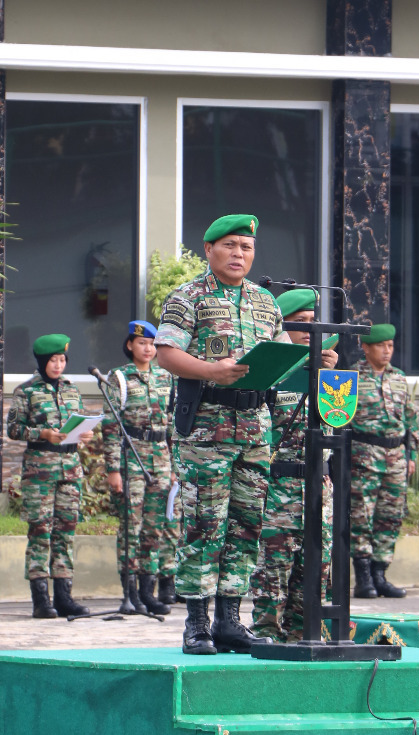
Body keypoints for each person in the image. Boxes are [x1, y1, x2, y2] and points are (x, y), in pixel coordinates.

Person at [155, 213, 284, 655]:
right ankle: (196, 624)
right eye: (229, 245)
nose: (238, 254)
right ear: (209, 249)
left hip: (255, 429)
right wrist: (214, 370)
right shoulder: (187, 297)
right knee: (204, 525)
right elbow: (166, 354)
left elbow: (281, 357)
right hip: (207, 431)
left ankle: (230, 620)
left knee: (247, 524)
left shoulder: (267, 302)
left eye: (246, 248)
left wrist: (311, 362)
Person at [248, 288, 338, 642]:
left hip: (318, 487)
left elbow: (337, 422)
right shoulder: (270, 373)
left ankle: (306, 638)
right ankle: (267, 638)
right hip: (278, 488)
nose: (308, 330)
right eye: (299, 323)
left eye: (312, 323)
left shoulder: (327, 370)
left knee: (316, 571)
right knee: (273, 572)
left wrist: (326, 379)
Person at [7, 333, 92, 619]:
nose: (58, 365)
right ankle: (41, 600)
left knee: (66, 531)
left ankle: (65, 595)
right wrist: (41, 433)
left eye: (62, 360)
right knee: (41, 531)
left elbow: (77, 421)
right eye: (53, 360)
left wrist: (85, 432)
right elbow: (13, 430)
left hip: (70, 467)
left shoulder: (72, 389)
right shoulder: (27, 391)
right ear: (43, 361)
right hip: (39, 469)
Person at [103, 320, 176, 616]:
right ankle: (130, 592)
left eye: (152, 344)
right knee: (131, 527)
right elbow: (110, 427)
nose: (148, 349)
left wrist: (173, 466)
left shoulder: (165, 377)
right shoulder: (119, 378)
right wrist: (113, 469)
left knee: (154, 527)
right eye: (142, 343)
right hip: (131, 455)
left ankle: (149, 591)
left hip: (160, 456)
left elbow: (172, 425)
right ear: (130, 345)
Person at [349, 324, 419, 599]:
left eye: (390, 345)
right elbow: (340, 418)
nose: (387, 350)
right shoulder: (351, 376)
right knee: (362, 516)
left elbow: (410, 420)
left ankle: (381, 574)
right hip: (365, 455)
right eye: (381, 345)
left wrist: (411, 455)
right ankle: (363, 578)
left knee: (390, 517)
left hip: (396, 457)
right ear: (366, 347)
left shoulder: (399, 378)